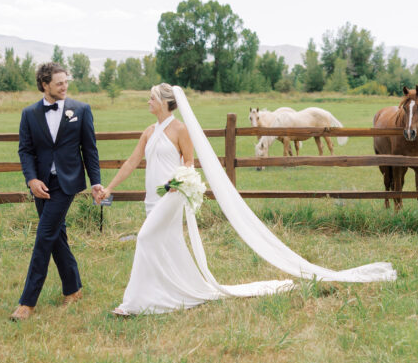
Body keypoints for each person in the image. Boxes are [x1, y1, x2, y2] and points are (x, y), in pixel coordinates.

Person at [98, 84, 397, 316]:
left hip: (172, 196)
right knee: (166, 246)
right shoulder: (148, 132)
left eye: (151, 98)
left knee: (145, 239)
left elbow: (188, 163)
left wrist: (178, 184)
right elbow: (131, 161)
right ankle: (168, 294)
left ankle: (132, 303)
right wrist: (109, 188)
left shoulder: (179, 130)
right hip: (153, 199)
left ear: (165, 102)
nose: (148, 102)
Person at [10, 62, 103, 322]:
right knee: (56, 236)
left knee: (44, 236)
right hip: (41, 184)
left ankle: (27, 302)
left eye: (66, 82)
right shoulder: (29, 114)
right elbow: (25, 150)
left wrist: (96, 182)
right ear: (44, 85)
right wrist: (31, 180)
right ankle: (73, 289)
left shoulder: (81, 110)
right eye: (59, 83)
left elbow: (90, 150)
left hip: (67, 183)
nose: (65, 87)